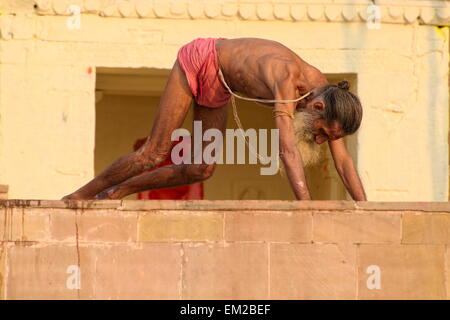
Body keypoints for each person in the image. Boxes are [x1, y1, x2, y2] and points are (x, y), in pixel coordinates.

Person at [62, 37, 366, 201]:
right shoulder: (289, 79)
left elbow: (344, 162)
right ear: (315, 108)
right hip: (199, 60)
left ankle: (117, 191)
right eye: (323, 133)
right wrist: (307, 209)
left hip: (221, 85)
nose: (321, 140)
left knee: (200, 167)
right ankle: (80, 195)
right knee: (153, 152)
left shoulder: (328, 97)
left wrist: (366, 210)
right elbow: (287, 147)